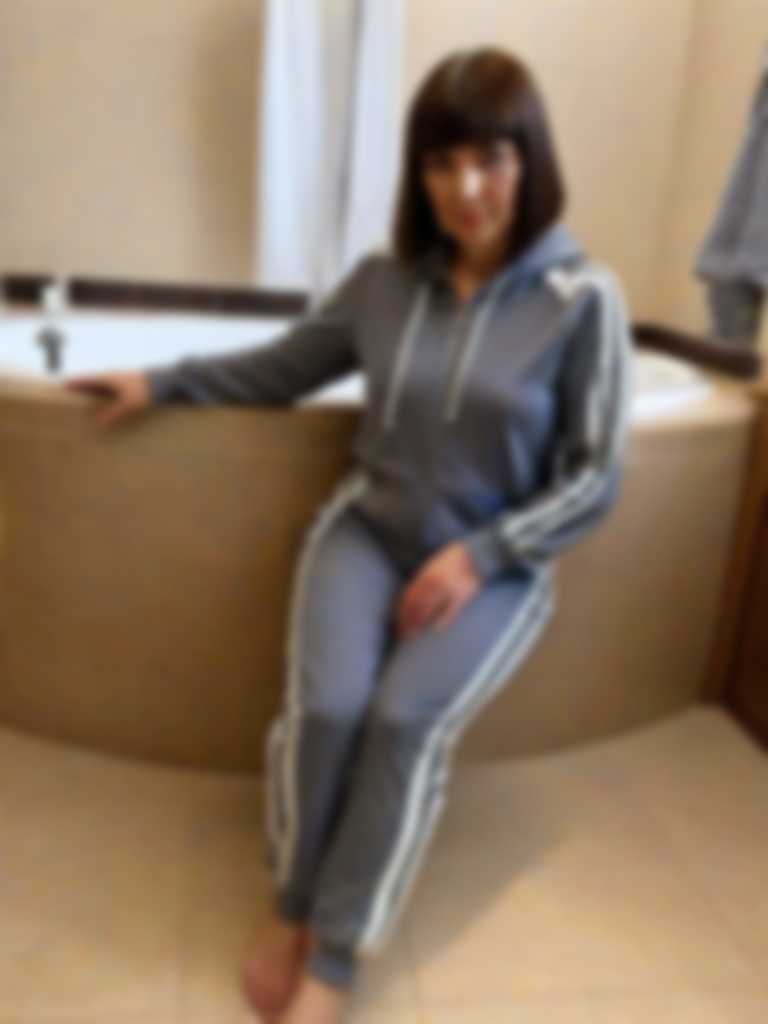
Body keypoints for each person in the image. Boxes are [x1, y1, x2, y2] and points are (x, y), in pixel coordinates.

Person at [62, 46, 634, 1024]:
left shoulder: (583, 299)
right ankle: (291, 905)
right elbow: (283, 366)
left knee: (403, 721)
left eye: (491, 158)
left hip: (498, 562)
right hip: (368, 532)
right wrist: (160, 381)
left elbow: (596, 474)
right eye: (442, 161)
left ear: (530, 160)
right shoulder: (384, 282)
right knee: (328, 709)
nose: (466, 188)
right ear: (418, 172)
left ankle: (333, 956)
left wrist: (480, 556)